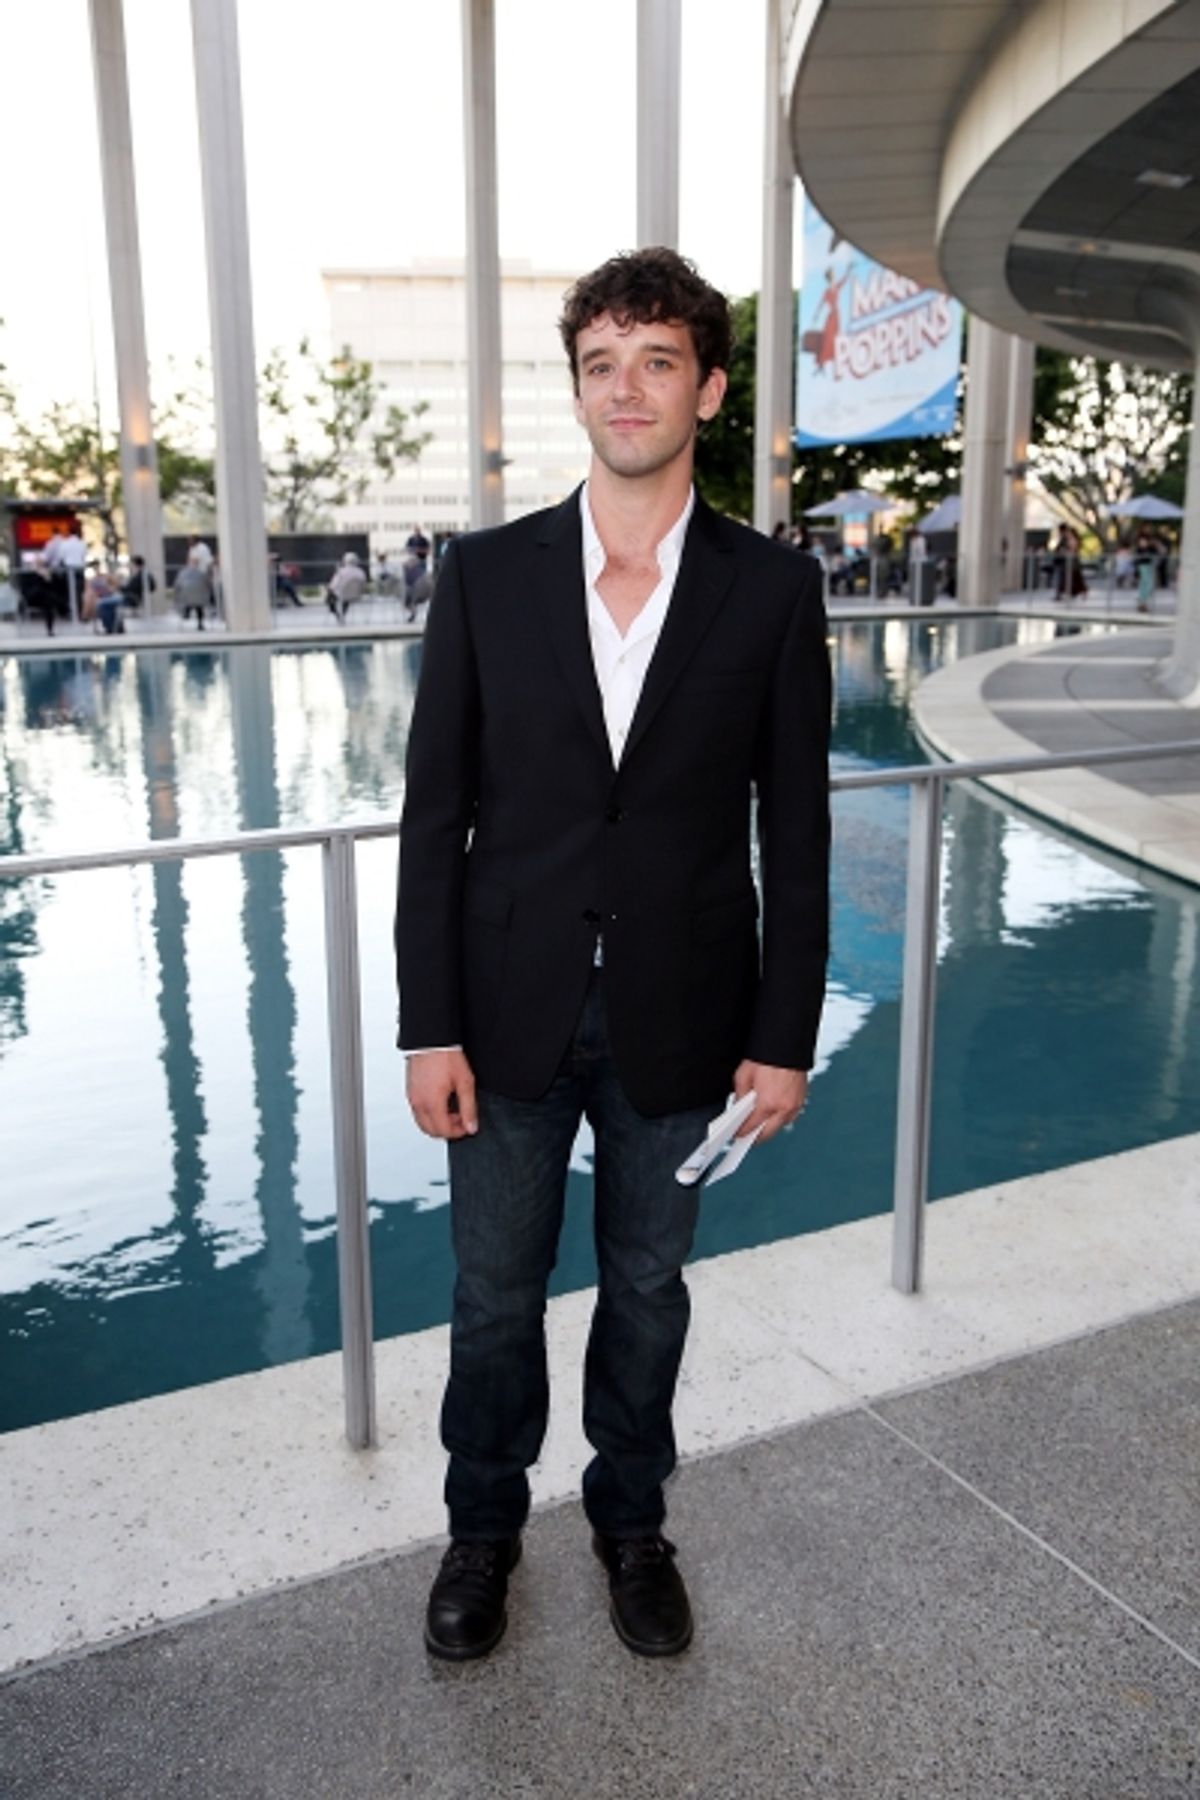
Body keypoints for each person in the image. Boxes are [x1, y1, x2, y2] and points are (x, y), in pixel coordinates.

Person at [396, 247, 831, 1664]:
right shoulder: (484, 576)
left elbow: (802, 831)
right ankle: (482, 1532)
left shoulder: (773, 592)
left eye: (657, 361)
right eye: (601, 362)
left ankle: (631, 1524)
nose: (626, 387)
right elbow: (435, 817)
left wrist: (783, 1038)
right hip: (507, 1007)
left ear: (707, 387)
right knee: (490, 1297)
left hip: (686, 1011)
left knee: (648, 1288)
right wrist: (427, 1028)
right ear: (575, 388)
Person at [326, 550, 367, 622]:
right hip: (357, 595)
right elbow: (363, 583)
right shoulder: (361, 572)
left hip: (342, 594)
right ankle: (343, 614)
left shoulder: (341, 571)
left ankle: (337, 614)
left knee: (330, 597)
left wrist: (329, 588)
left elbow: (333, 585)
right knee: (346, 597)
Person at [175, 559, 213, 629]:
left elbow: (177, 585)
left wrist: (177, 595)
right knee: (199, 607)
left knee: (189, 601)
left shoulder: (183, 573)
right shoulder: (202, 573)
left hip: (186, 598)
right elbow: (208, 585)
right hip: (200, 599)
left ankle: (187, 612)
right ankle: (200, 624)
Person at [87, 563, 123, 635]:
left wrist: (110, 589)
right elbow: (90, 590)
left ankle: (111, 626)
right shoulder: (91, 580)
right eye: (94, 569)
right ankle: (105, 626)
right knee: (94, 602)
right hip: (98, 597)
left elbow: (115, 586)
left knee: (102, 603)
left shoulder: (106, 577)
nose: (96, 570)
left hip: (108, 595)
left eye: (97, 568)